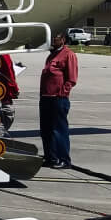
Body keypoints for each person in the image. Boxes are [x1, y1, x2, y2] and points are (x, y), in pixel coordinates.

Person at [39, 30, 78, 168]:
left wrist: (62, 93)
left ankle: (64, 159)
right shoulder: (52, 55)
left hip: (58, 98)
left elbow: (72, 78)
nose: (53, 40)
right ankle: (50, 157)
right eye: (52, 38)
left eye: (56, 38)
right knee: (46, 129)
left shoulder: (68, 55)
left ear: (63, 40)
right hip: (46, 97)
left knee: (58, 130)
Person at [0, 52, 19, 131]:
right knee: (4, 123)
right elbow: (8, 73)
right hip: (3, 96)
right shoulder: (2, 54)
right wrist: (15, 89)